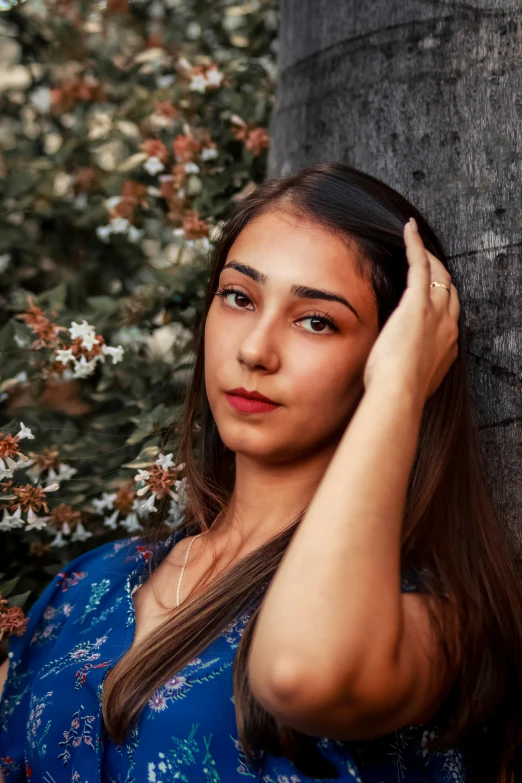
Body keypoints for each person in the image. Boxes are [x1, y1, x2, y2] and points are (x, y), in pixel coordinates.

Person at [1, 162, 521, 783]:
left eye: (316, 321)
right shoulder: (90, 583)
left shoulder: (439, 620)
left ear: (391, 353)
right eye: (239, 298)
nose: (254, 349)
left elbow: (300, 670)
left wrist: (400, 388)